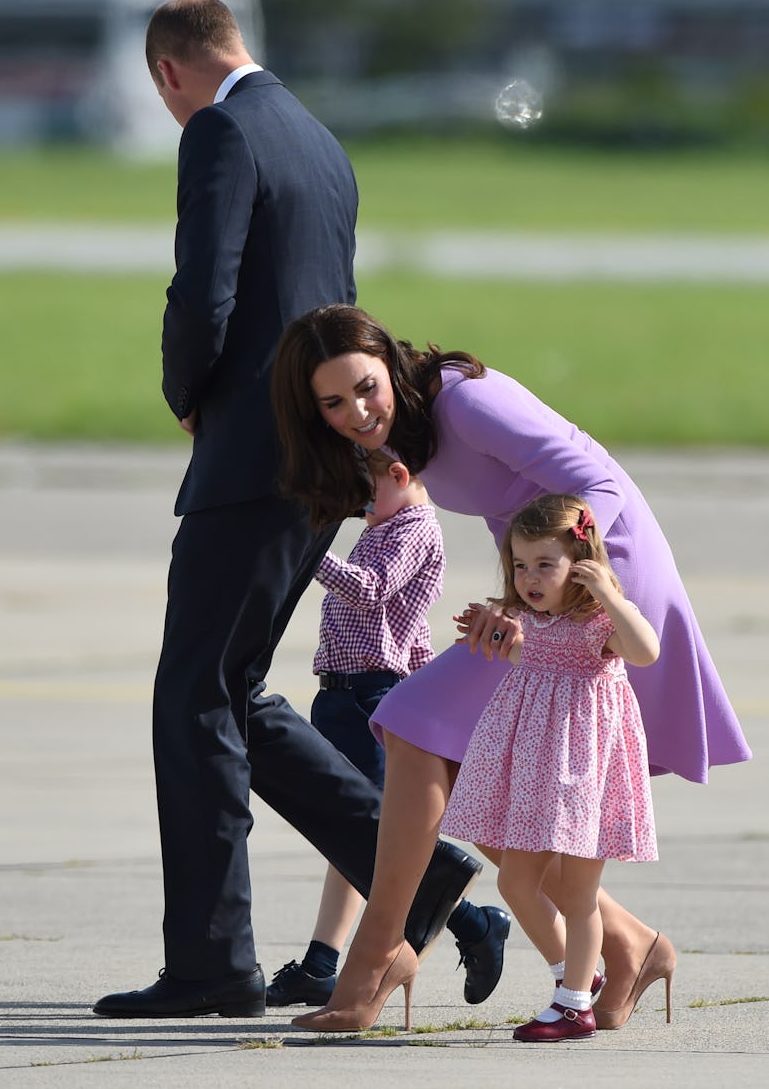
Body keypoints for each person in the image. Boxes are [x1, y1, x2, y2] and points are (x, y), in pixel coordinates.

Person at [92, 0, 483, 1021]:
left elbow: (204, 293)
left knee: (192, 698)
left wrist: (189, 396)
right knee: (233, 693)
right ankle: (425, 876)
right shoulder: (316, 134)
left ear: (167, 73)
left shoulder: (220, 130)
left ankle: (212, 961)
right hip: (318, 461)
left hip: (253, 456)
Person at [270, 303, 751, 1033]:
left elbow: (602, 490)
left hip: (600, 580)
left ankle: (379, 953)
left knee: (411, 720)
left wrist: (552, 597)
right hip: (537, 587)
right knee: (448, 752)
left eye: (366, 387)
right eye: (332, 403)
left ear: (389, 364)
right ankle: (627, 944)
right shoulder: (404, 430)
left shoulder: (465, 400)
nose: (356, 412)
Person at [266, 451, 510, 1009]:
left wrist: (309, 548)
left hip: (370, 693)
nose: (357, 507)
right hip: (342, 692)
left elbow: (371, 589)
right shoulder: (382, 522)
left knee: (374, 830)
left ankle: (473, 923)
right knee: (347, 826)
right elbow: (404, 622)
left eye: (363, 493)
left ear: (399, 476)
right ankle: (322, 963)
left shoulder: (415, 528)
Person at [442, 494, 666, 1043]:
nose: (530, 577)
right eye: (521, 565)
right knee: (516, 880)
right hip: (535, 767)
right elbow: (535, 662)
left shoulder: (598, 623)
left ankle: (573, 1007)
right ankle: (577, 977)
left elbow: (646, 652)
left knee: (579, 888)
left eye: (546, 564)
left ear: (581, 563)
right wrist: (497, 638)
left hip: (586, 769)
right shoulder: (532, 621)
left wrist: (610, 595)